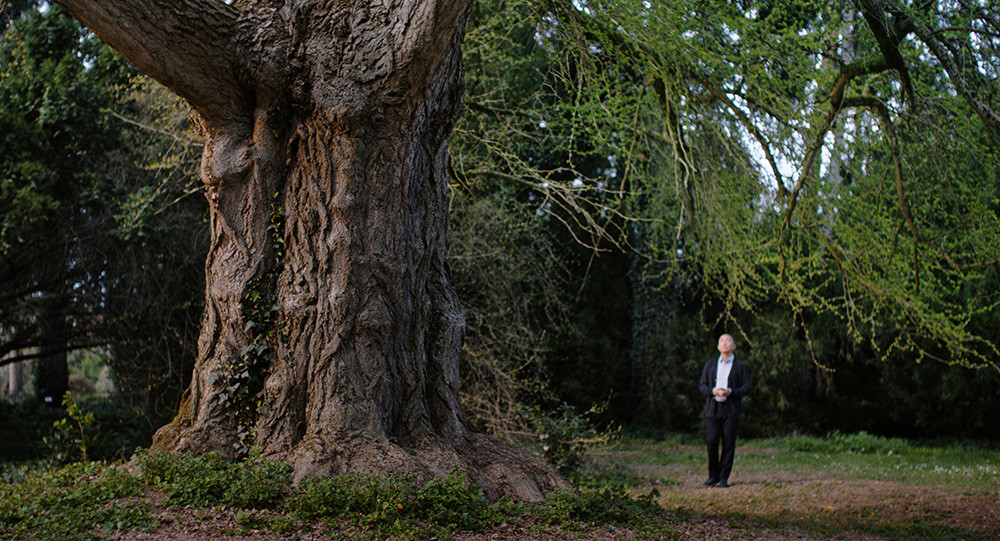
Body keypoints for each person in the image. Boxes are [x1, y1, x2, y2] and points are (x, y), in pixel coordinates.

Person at [698, 334, 751, 488]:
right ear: (718, 346)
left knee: (728, 444)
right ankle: (712, 476)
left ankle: (723, 478)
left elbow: (747, 387)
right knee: (711, 441)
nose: (725, 344)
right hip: (713, 408)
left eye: (728, 341)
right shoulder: (710, 364)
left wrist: (731, 392)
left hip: (731, 409)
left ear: (734, 346)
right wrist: (714, 391)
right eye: (721, 341)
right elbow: (702, 385)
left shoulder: (740, 366)